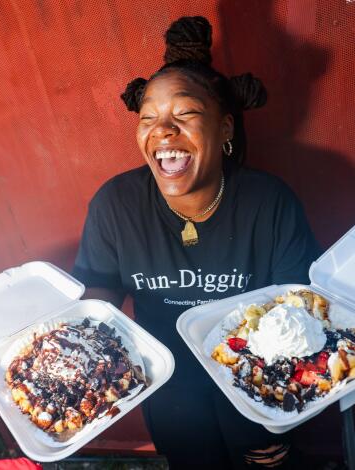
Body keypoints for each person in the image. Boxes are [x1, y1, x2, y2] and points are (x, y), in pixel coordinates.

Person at [73, 16, 320, 469]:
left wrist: (277, 410)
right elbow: (99, 287)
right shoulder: (115, 204)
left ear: (225, 129)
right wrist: (65, 338)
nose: (163, 131)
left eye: (184, 115)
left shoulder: (269, 202)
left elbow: (301, 307)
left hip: (256, 376)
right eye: (149, 118)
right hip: (168, 384)